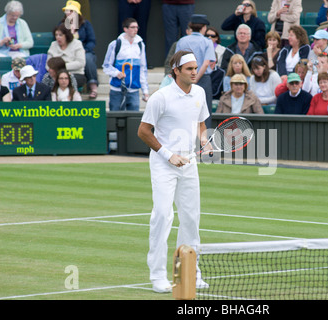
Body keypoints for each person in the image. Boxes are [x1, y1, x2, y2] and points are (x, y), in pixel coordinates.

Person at [137, 50, 210, 294]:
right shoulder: (161, 97)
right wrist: (169, 155)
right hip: (163, 164)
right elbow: (144, 131)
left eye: (195, 68)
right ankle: (157, 275)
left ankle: (190, 271)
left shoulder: (199, 93)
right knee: (162, 215)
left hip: (189, 164)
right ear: (176, 71)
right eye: (189, 69)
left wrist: (204, 141)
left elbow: (201, 124)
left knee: (191, 218)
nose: (194, 72)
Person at [175, 14, 216, 128]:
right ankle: (203, 142)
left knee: (184, 109)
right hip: (202, 80)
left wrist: (189, 79)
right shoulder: (207, 42)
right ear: (203, 28)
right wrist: (195, 79)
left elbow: (177, 63)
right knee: (205, 112)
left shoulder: (182, 41)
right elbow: (206, 63)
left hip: (184, 79)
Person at [103, 17, 149, 111]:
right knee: (115, 117)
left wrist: (145, 91)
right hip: (117, 89)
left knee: (133, 120)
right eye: (132, 27)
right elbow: (106, 66)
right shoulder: (116, 44)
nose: (135, 30)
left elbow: (143, 68)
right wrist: (116, 73)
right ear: (125, 29)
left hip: (134, 90)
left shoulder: (140, 44)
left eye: (137, 27)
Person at [60, 0, 99, 99]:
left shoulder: (85, 24)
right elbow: (58, 39)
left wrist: (85, 49)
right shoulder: (62, 24)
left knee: (88, 59)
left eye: (71, 11)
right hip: (68, 53)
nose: (68, 13)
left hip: (84, 51)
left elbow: (92, 41)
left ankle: (93, 87)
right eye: (67, 11)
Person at [47, 24, 86, 88]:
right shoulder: (53, 45)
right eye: (56, 35)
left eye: (60, 35)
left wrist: (61, 67)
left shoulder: (77, 44)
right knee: (47, 78)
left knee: (65, 80)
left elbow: (81, 63)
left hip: (75, 73)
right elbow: (48, 64)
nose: (58, 37)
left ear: (67, 35)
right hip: (55, 74)